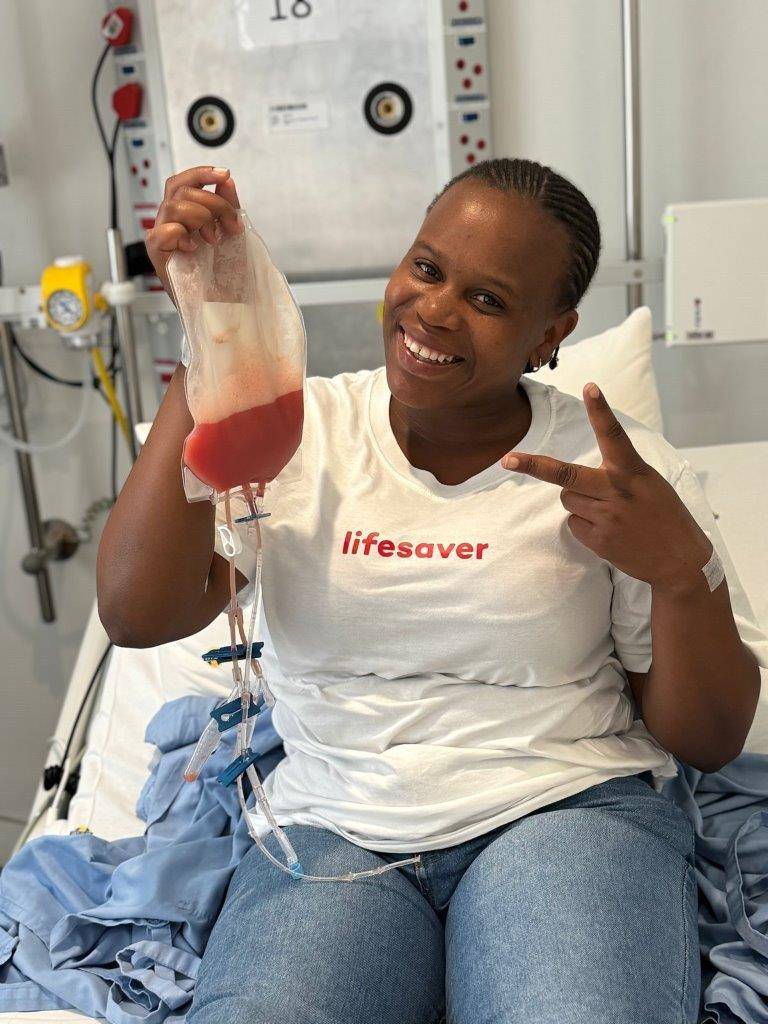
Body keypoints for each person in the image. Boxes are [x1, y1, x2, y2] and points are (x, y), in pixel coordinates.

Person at [97, 158, 767, 1024]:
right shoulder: (298, 431)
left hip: (564, 812)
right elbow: (136, 612)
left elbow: (707, 740)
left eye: (487, 300)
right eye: (427, 267)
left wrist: (683, 574)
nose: (436, 310)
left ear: (550, 333)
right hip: (330, 827)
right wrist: (210, 335)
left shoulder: (617, 473)